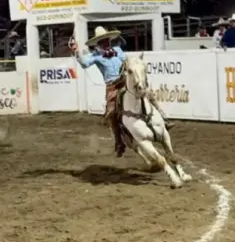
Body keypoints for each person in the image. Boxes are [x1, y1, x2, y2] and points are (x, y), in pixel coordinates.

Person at [70, 26, 173, 157]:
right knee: (112, 113)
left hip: (125, 81)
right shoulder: (96, 56)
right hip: (112, 86)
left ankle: (164, 119)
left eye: (106, 40)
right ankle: (119, 141)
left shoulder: (118, 50)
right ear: (98, 43)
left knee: (148, 94)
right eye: (102, 41)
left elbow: (127, 62)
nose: (105, 43)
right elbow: (84, 63)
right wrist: (76, 51)